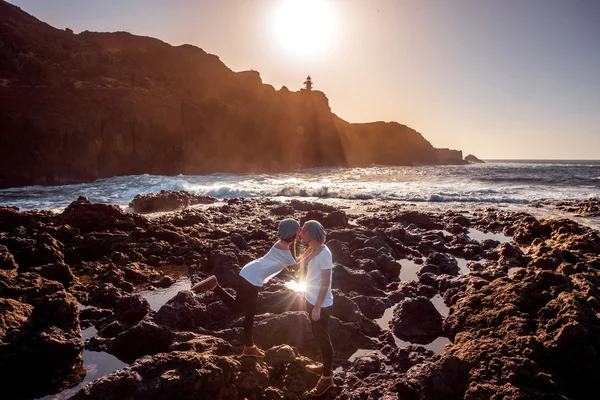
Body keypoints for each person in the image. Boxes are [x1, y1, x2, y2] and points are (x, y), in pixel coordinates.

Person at [191, 218, 321, 358]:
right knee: (243, 311)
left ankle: (249, 346)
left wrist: (310, 249)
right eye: (298, 229)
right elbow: (296, 268)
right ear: (292, 232)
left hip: (250, 272)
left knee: (246, 312)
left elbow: (293, 262)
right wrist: (313, 252)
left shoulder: (283, 245)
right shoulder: (284, 249)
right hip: (252, 277)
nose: (300, 231)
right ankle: (215, 287)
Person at [299, 220, 335, 397]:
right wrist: (291, 242)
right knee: (318, 336)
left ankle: (327, 378)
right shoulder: (314, 247)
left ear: (312, 234)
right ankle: (324, 366)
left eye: (303, 231)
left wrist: (317, 307)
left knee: (323, 339)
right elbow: (297, 261)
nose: (301, 233)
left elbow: (326, 282)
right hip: (311, 298)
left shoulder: (324, 254)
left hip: (321, 304)